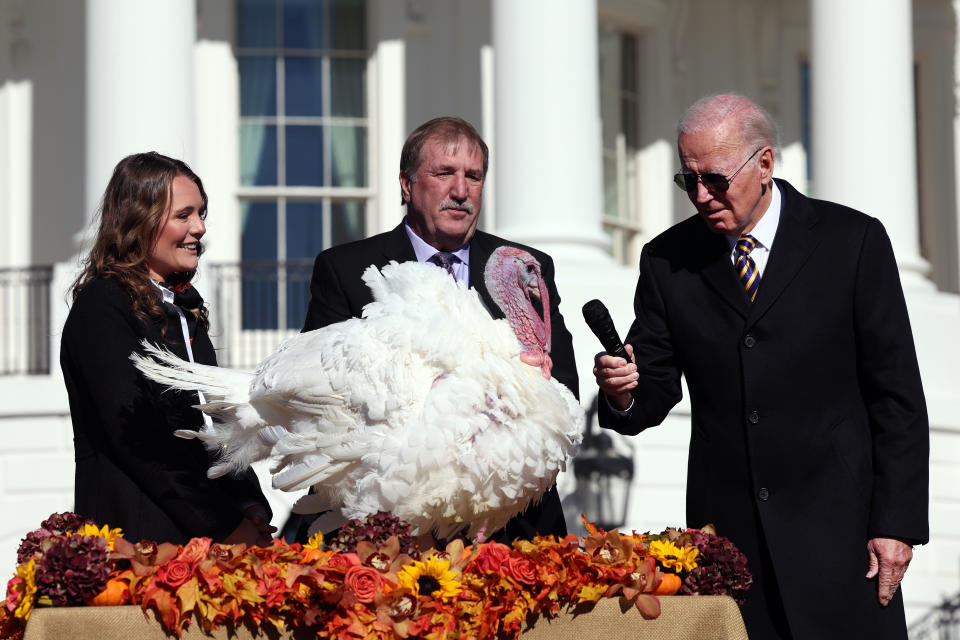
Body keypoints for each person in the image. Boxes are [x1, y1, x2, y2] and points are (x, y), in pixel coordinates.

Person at [593, 94, 928, 639]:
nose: (701, 196)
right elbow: (648, 389)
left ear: (765, 164)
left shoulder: (853, 242)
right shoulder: (666, 260)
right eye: (688, 180)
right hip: (730, 552)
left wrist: (896, 525)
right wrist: (623, 390)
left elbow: (898, 398)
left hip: (845, 543)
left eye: (716, 180)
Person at [300, 116, 579, 543]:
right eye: (444, 173)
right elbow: (320, 403)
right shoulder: (347, 270)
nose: (461, 191)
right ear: (407, 185)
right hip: (390, 531)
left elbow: (563, 386)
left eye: (473, 176)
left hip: (511, 532)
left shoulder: (521, 268)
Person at [61, 152, 275, 546]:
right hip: (142, 538)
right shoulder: (103, 307)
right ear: (138, 221)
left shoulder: (183, 308)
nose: (200, 227)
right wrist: (225, 525)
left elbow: (215, 422)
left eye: (201, 213)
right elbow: (139, 439)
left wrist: (249, 502)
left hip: (210, 532)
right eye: (184, 215)